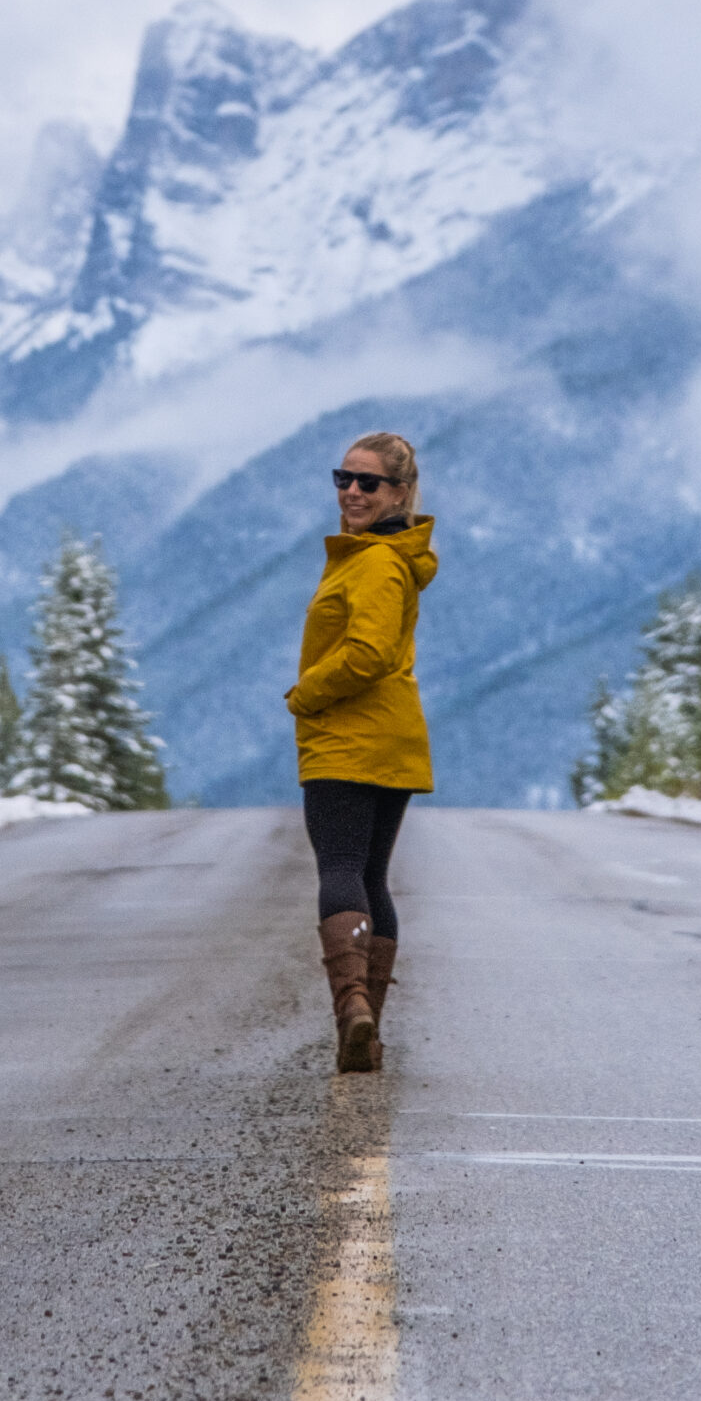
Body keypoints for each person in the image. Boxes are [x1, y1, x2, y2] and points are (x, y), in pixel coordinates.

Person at [285, 430, 437, 1073]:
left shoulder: (374, 561)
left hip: (349, 737)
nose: (351, 491)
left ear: (400, 492)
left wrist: (307, 694)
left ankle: (353, 1009)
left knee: (342, 870)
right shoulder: (385, 558)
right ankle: (366, 1028)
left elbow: (369, 653)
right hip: (393, 739)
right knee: (372, 877)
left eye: (368, 482)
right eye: (343, 479)